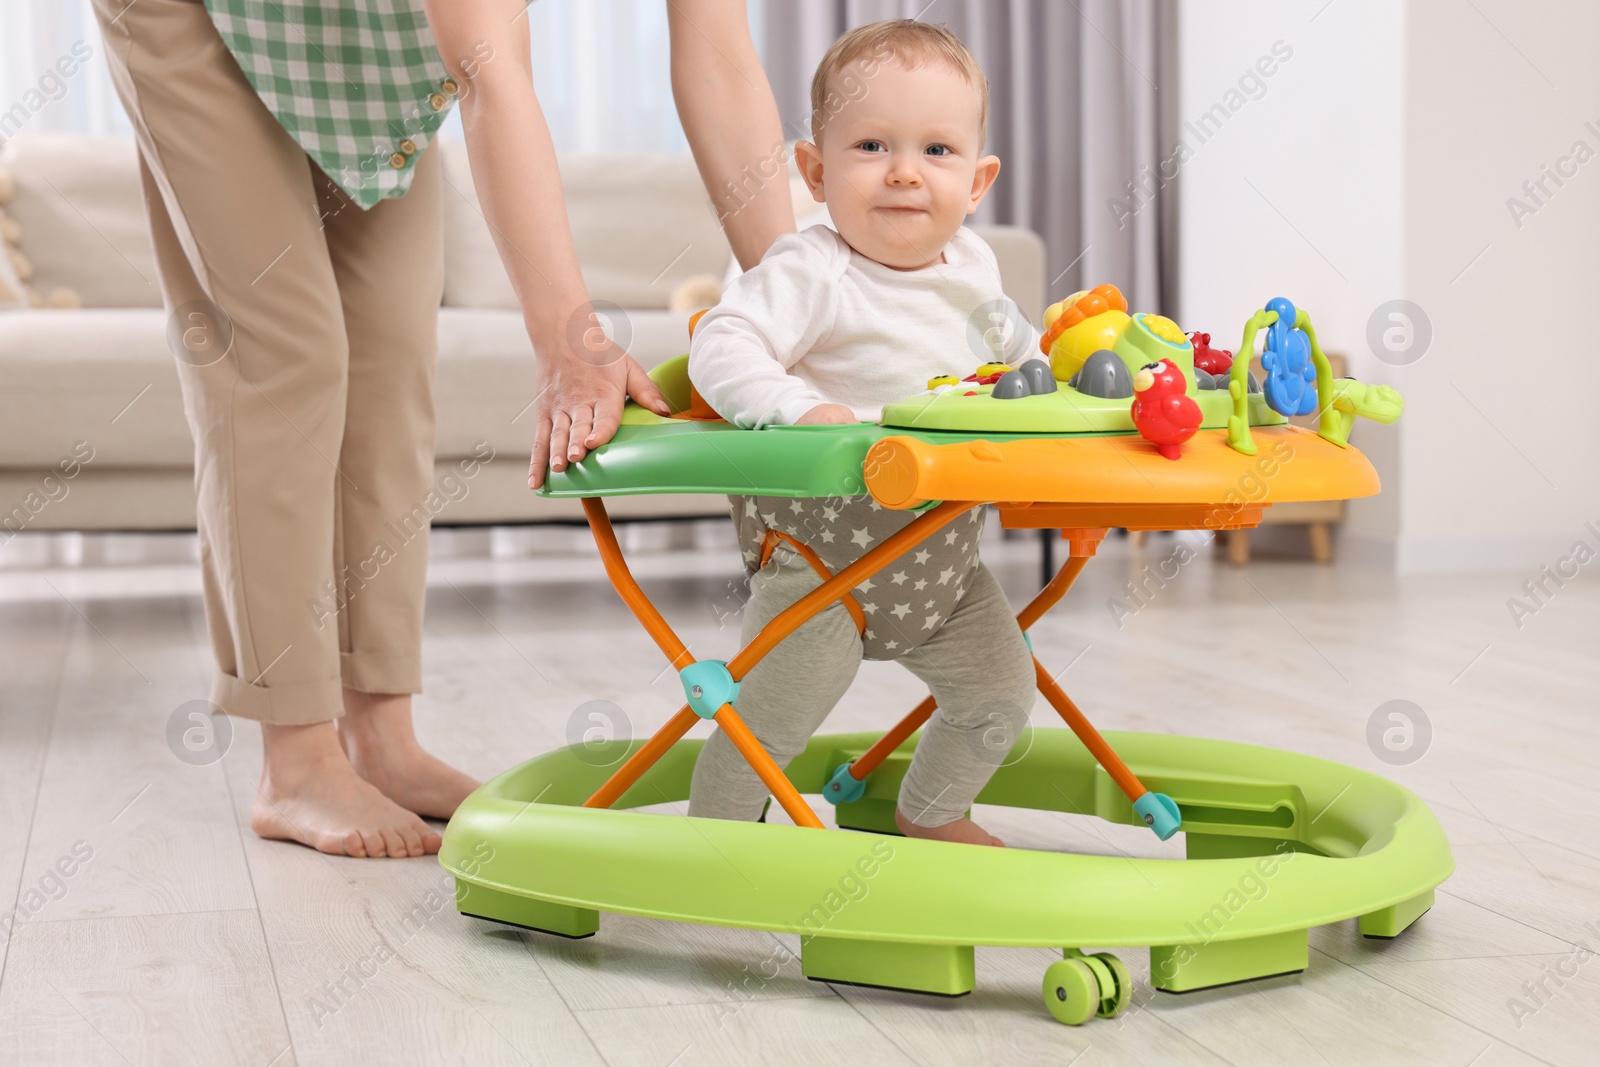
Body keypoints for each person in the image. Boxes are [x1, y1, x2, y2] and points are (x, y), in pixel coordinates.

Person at [89, 0, 795, 857]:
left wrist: (796, 315)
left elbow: (719, 61)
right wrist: (571, 337)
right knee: (286, 352)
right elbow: (492, 77)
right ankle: (298, 760)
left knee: (391, 347)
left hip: (364, 26)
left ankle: (383, 739)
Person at [685, 20, 1037, 847]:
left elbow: (1027, 364)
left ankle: (933, 810)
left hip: (941, 563)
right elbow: (721, 344)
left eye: (938, 151)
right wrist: (798, 409)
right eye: (872, 144)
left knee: (1000, 697)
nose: (906, 171)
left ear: (979, 180)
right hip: (822, 569)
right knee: (768, 723)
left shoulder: (976, 272)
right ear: (815, 169)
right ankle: (711, 845)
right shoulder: (814, 271)